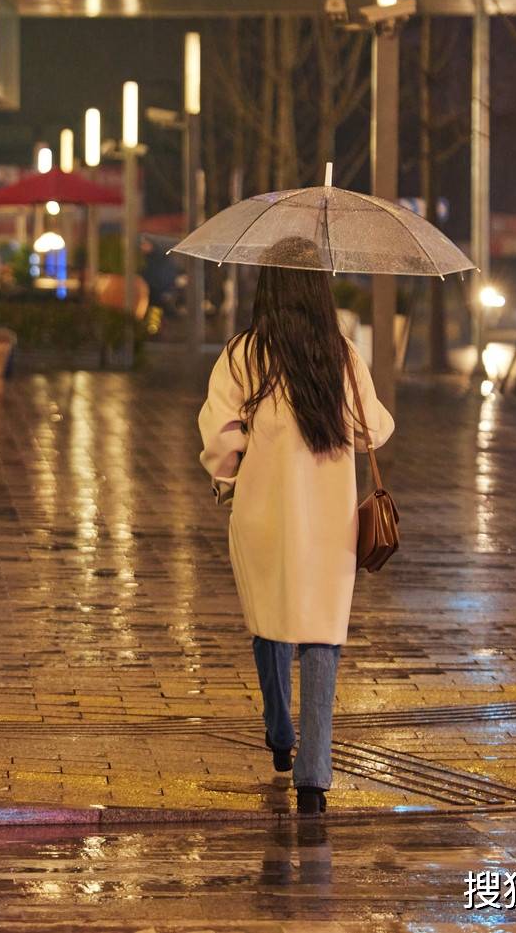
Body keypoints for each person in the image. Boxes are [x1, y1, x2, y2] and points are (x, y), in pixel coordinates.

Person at [197, 237, 393, 814]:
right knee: (322, 635)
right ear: (318, 287)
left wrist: (228, 484)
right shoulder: (341, 355)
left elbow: (220, 437)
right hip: (332, 523)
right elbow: (373, 429)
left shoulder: (243, 355)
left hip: (262, 512)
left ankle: (280, 731)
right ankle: (315, 771)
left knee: (270, 620)